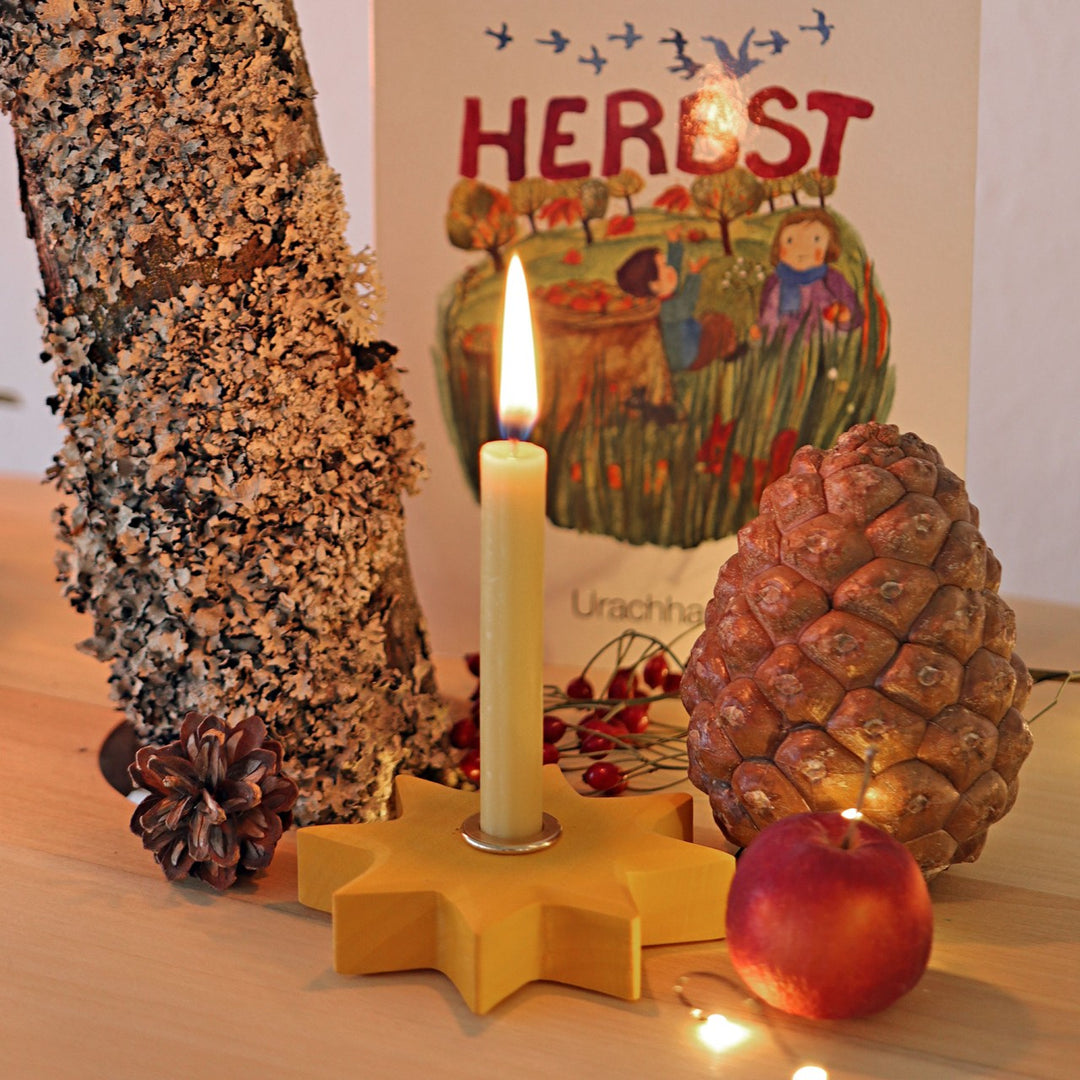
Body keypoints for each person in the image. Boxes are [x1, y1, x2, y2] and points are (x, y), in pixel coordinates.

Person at [616, 239, 738, 371]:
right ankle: (730, 352)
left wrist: (674, 245)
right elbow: (687, 304)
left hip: (685, 346)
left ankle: (724, 348)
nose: (670, 269)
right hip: (690, 356)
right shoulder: (665, 309)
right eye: (664, 266)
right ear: (653, 284)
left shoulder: (658, 301)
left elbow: (674, 274)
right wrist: (694, 276)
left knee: (707, 318)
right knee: (719, 322)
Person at [758, 208, 863, 340]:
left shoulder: (832, 278)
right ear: (779, 249)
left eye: (815, 239)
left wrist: (845, 316)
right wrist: (760, 331)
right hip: (781, 344)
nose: (802, 248)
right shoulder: (774, 281)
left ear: (828, 247)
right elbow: (764, 314)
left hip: (820, 344)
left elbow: (854, 313)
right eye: (790, 240)